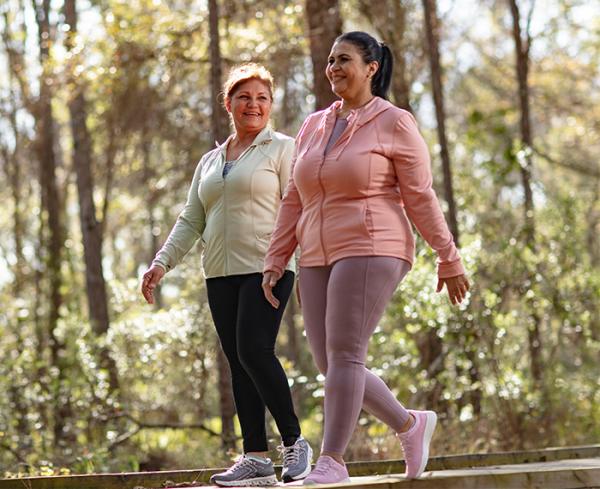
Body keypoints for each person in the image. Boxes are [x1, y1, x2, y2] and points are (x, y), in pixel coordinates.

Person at [261, 32, 470, 484]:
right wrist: (277, 256)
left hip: (373, 243)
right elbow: (293, 197)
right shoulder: (314, 124)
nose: (334, 67)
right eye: (331, 60)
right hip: (316, 250)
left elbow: (420, 195)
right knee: (331, 362)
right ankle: (410, 425)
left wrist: (447, 256)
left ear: (371, 67)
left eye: (345, 60)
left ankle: (333, 460)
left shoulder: (394, 122)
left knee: (346, 355)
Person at [141, 63, 312, 487]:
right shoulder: (211, 161)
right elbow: (191, 219)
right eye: (244, 97)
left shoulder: (283, 149)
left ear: (271, 105)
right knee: (238, 361)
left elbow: (299, 209)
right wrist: (161, 262)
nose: (253, 105)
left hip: (267, 268)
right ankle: (255, 457)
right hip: (219, 272)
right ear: (229, 104)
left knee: (255, 350)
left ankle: (295, 442)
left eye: (262, 98)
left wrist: (297, 262)